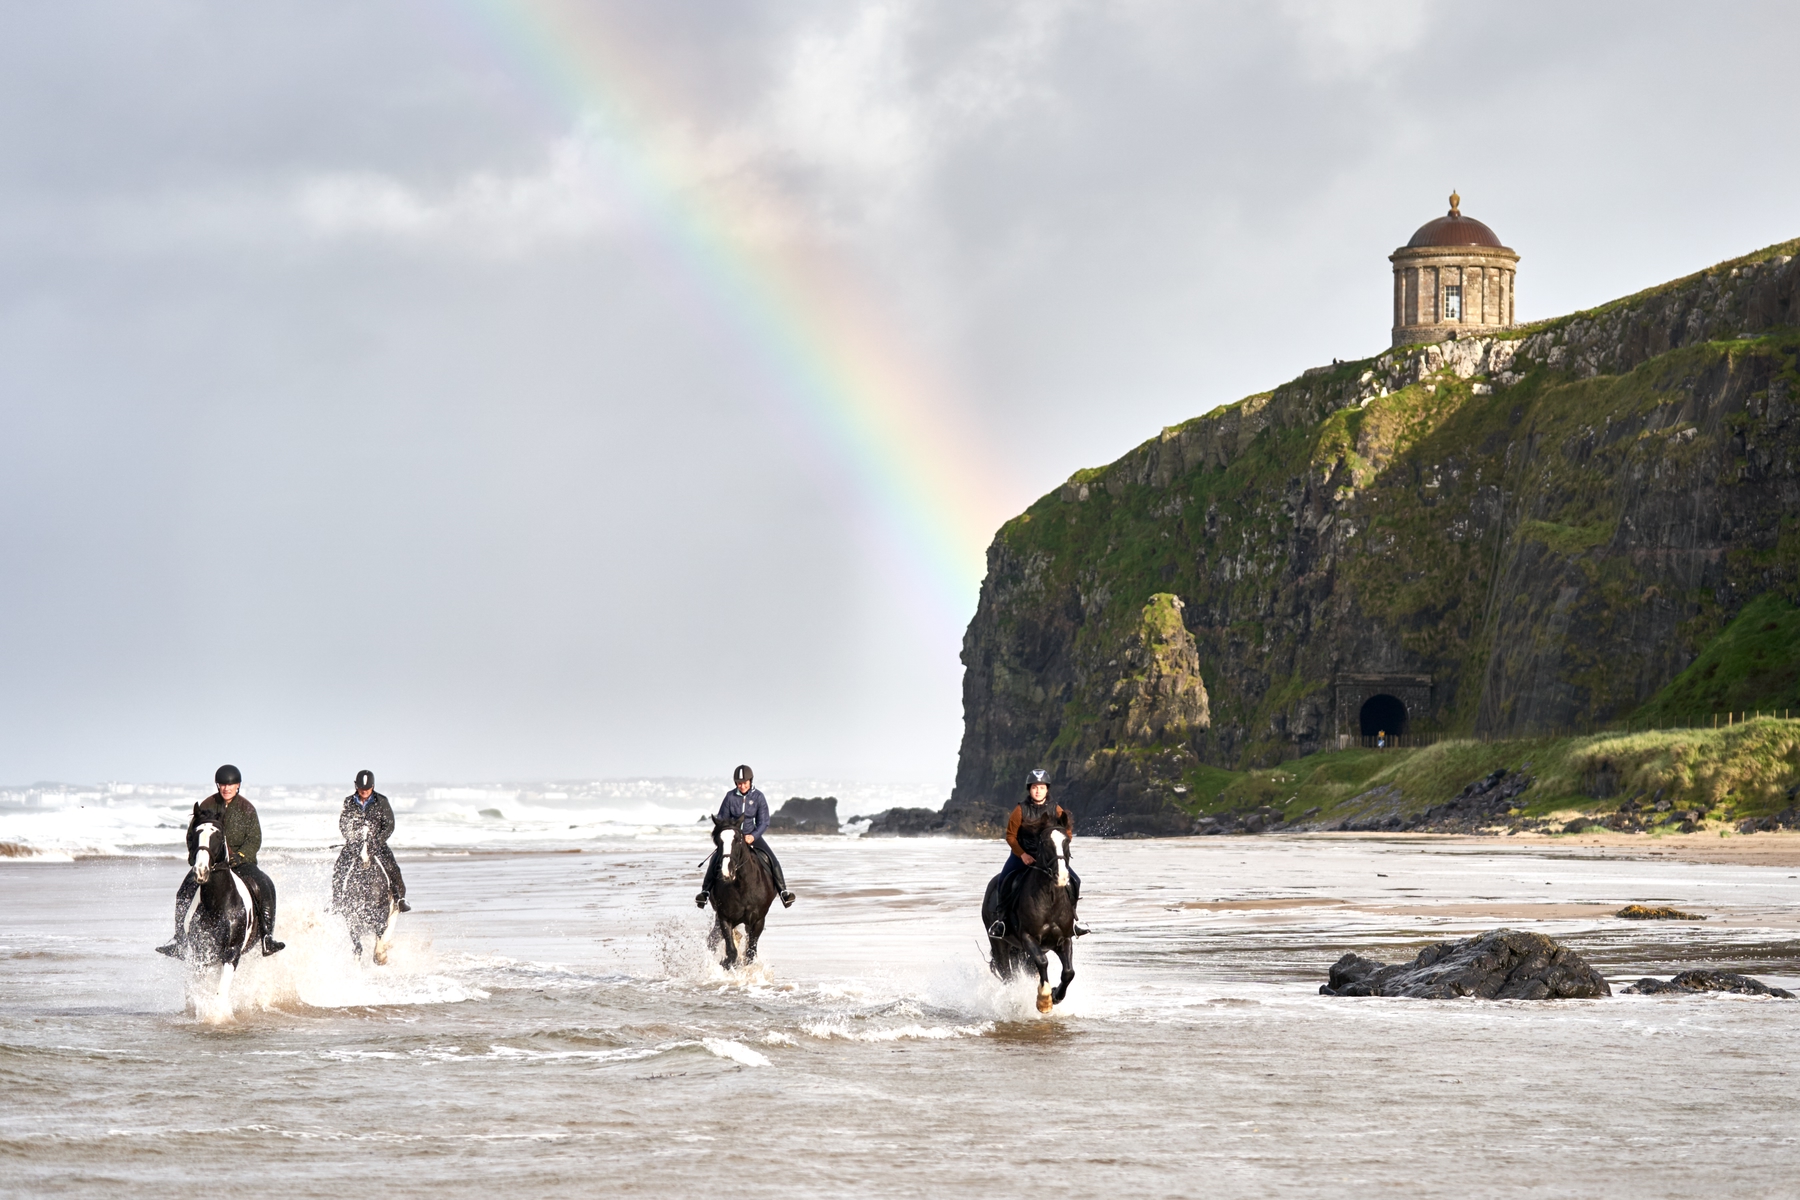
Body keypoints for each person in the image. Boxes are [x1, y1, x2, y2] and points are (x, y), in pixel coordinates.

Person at [157, 764, 284, 957]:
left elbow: (254, 839)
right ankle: (178, 940)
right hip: (210, 864)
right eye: (222, 784)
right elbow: (193, 835)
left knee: (265, 885)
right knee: (184, 891)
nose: (226, 788)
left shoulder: (247, 809)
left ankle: (267, 937)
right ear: (218, 785)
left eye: (230, 785)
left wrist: (238, 857)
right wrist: (195, 858)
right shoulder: (207, 805)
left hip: (241, 863)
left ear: (238, 785)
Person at [997, 768, 1087, 935]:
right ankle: (1000, 921)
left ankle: (1073, 920)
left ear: (1047, 789)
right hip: (1022, 855)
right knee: (1004, 881)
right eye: (1034, 787)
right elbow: (1010, 836)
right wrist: (1023, 854)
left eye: (1041, 787)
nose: (1038, 791)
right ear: (1029, 789)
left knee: (1075, 880)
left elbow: (1066, 833)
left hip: (1048, 858)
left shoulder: (1056, 809)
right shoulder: (1020, 810)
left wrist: (1058, 850)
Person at [695, 765, 795, 909]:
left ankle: (783, 892)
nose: (742, 786)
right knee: (716, 859)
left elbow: (764, 822)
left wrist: (753, 836)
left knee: (772, 859)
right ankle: (704, 893)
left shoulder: (758, 797)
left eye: (745, 783)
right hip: (733, 837)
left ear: (750, 781)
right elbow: (722, 819)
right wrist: (727, 834)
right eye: (739, 783)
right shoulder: (730, 797)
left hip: (751, 835)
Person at [333, 769, 410, 912]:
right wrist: (352, 838)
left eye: (367, 789)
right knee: (339, 867)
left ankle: (400, 898)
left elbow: (389, 825)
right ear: (356, 786)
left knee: (392, 866)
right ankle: (336, 900)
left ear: (373, 787)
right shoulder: (348, 802)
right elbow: (343, 824)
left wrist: (378, 840)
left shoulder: (382, 801)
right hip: (355, 844)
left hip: (377, 843)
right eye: (362, 789)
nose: (364, 792)